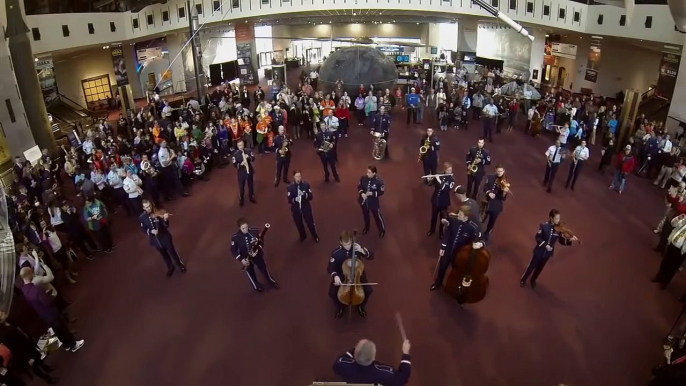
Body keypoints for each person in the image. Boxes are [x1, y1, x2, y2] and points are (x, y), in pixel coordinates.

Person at [20, 267, 85, 352]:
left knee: (57, 330)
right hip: (51, 312)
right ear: (29, 274)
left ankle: (66, 345)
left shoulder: (24, 290)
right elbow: (47, 302)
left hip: (43, 314)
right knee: (63, 328)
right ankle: (73, 344)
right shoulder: (36, 289)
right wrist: (50, 296)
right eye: (31, 273)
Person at [520, 209, 577, 288]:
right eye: (556, 219)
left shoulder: (559, 229)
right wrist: (545, 245)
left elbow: (561, 241)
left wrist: (569, 240)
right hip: (539, 251)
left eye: (559, 218)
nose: (558, 220)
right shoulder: (544, 226)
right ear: (551, 218)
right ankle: (524, 279)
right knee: (532, 266)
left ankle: (533, 279)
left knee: (540, 268)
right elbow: (538, 238)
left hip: (547, 254)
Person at [430, 205, 481, 291]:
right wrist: (443, 247)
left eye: (460, 214)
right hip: (448, 249)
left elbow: (477, 240)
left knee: (456, 271)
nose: (458, 215)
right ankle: (438, 282)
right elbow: (448, 233)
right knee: (442, 267)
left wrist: (479, 244)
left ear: (466, 217)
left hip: (459, 253)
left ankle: (452, 286)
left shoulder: (473, 228)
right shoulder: (454, 220)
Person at [328, 231, 374, 318]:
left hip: (358, 275)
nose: (348, 246)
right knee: (332, 293)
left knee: (368, 291)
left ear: (351, 241)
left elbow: (371, 256)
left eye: (349, 243)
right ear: (341, 243)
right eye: (345, 244)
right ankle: (340, 306)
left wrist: (362, 250)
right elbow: (330, 268)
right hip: (343, 275)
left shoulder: (357, 248)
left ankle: (360, 306)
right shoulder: (336, 253)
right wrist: (335, 276)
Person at [333, 339, 411, 386]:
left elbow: (341, 359)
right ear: (373, 357)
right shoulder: (386, 373)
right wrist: (405, 353)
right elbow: (403, 378)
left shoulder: (341, 365)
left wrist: (359, 349)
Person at [139, 199, 186, 277]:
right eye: (146, 207)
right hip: (155, 240)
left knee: (172, 252)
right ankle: (170, 267)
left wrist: (165, 219)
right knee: (164, 254)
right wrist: (151, 232)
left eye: (150, 206)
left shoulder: (158, 212)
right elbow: (143, 229)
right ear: (143, 208)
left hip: (165, 237)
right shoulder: (142, 217)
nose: (149, 208)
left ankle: (180, 265)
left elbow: (166, 226)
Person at [230, 218, 278, 293]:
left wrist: (258, 248)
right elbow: (233, 250)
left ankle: (271, 281)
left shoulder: (254, 231)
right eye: (243, 228)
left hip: (257, 255)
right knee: (251, 273)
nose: (245, 230)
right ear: (239, 228)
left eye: (246, 227)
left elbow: (261, 241)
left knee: (263, 269)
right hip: (246, 258)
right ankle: (257, 286)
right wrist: (241, 259)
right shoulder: (235, 237)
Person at [652, 214, 686, 290]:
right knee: (665, 261)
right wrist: (678, 218)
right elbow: (673, 224)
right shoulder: (684, 221)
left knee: (672, 267)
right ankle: (658, 276)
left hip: (681, 251)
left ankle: (665, 282)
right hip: (672, 244)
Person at [287, 171, 319, 243]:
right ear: (294, 177)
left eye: (299, 176)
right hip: (296, 209)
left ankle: (314, 235)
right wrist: (295, 199)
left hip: (306, 208)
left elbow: (311, 197)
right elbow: (289, 200)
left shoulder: (306, 185)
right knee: (299, 224)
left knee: (310, 223)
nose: (298, 178)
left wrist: (305, 195)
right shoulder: (290, 187)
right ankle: (302, 236)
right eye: (297, 176)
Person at [481, 165, 510, 242]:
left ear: (503, 171)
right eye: (498, 171)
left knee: (491, 222)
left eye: (501, 171)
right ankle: (478, 232)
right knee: (481, 218)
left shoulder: (505, 181)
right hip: (486, 202)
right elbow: (485, 187)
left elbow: (503, 198)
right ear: (495, 170)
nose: (500, 173)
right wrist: (488, 193)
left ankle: (486, 235)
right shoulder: (490, 177)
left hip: (496, 205)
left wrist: (504, 192)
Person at [427, 163, 455, 238]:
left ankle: (441, 233)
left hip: (444, 201)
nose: (450, 171)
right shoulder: (439, 175)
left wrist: (439, 180)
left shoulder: (451, 180)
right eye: (448, 170)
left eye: (450, 170)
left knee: (442, 218)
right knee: (434, 217)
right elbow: (431, 184)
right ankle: (432, 230)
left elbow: (446, 189)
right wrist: (430, 179)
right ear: (445, 170)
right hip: (435, 199)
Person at [358, 165, 386, 237]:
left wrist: (373, 193)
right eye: (367, 172)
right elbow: (359, 187)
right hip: (364, 202)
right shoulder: (363, 178)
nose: (367, 174)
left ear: (374, 173)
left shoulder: (379, 182)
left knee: (377, 216)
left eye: (369, 173)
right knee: (366, 216)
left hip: (373, 202)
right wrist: (362, 193)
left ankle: (381, 230)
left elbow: (381, 192)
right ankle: (367, 227)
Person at [232, 140, 257, 206]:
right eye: (239, 145)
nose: (241, 147)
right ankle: (241, 199)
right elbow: (234, 164)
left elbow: (253, 158)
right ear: (237, 146)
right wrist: (240, 164)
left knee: (251, 185)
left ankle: (251, 197)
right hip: (241, 173)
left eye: (242, 145)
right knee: (241, 187)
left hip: (249, 171)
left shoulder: (248, 151)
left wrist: (249, 157)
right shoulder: (235, 154)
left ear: (244, 145)